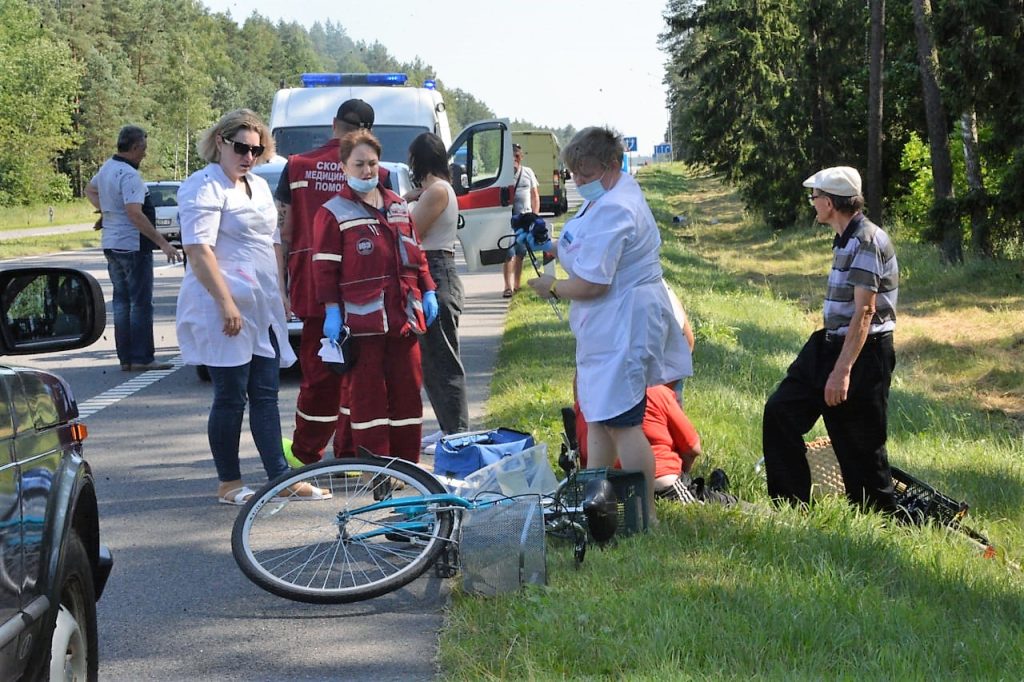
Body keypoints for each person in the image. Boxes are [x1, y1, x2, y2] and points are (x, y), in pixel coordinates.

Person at [525, 126, 691, 525]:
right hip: (608, 326)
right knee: (598, 415)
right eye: (575, 175)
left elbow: (594, 282)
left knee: (623, 423)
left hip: (623, 323)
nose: (580, 182)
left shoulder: (618, 205)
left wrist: (553, 287)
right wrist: (549, 244)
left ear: (611, 165)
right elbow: (585, 241)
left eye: (586, 173)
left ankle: (644, 516)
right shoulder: (612, 193)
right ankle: (594, 503)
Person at [175, 109, 327, 505]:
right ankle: (228, 483)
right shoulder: (203, 186)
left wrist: (280, 291)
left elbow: (272, 242)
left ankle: (281, 477)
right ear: (221, 142)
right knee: (230, 394)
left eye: (257, 151)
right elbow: (198, 249)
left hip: (261, 304)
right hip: (222, 303)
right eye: (241, 147)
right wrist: (225, 302)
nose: (249, 156)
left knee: (266, 391)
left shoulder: (257, 186)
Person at [762, 166, 899, 513]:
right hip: (831, 344)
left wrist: (841, 371)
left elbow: (865, 312)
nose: (812, 202)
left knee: (861, 447)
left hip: (862, 354)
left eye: (816, 196)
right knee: (780, 412)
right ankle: (791, 508)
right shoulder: (845, 238)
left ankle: (878, 523)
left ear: (831, 202)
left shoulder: (866, 240)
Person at [275, 98, 393, 466]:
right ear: (369, 133)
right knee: (360, 376)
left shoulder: (297, 167)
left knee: (319, 374)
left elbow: (287, 229)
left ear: (333, 124)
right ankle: (350, 454)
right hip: (366, 288)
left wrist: (284, 281)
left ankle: (305, 454)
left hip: (314, 283)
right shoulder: (380, 173)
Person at [311, 130, 438, 462]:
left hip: (404, 318)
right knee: (368, 401)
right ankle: (376, 469)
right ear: (343, 167)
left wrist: (429, 290)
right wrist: (332, 312)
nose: (367, 171)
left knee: (408, 397)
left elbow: (417, 254)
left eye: (372, 163)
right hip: (362, 324)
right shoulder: (332, 212)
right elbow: (324, 270)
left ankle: (407, 466)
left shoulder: (398, 205)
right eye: (359, 164)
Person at [85, 125, 181, 371]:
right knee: (139, 302)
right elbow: (135, 214)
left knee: (121, 302)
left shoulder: (107, 168)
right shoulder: (129, 175)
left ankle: (126, 358)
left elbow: (90, 189)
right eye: (144, 149)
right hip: (132, 246)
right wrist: (163, 243)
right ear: (135, 147)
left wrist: (107, 211)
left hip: (112, 244)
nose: (145, 154)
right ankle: (142, 357)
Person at [405, 132, 470, 449]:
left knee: (443, 361)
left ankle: (458, 432)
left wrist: (403, 203)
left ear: (417, 160)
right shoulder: (434, 190)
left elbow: (410, 231)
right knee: (431, 361)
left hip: (436, 272)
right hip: (434, 272)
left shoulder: (436, 192)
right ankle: (449, 429)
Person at [574, 384, 702, 494]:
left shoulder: (585, 404)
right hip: (663, 483)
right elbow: (692, 449)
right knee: (714, 498)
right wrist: (683, 471)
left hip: (608, 493)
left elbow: (584, 462)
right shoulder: (657, 392)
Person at [502, 142, 540, 298]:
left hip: (525, 219)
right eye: (513, 157)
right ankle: (507, 286)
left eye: (518, 156)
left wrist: (535, 217)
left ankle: (517, 285)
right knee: (508, 253)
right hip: (507, 219)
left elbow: (534, 195)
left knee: (521, 253)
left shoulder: (528, 172)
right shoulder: (503, 173)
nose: (516, 160)